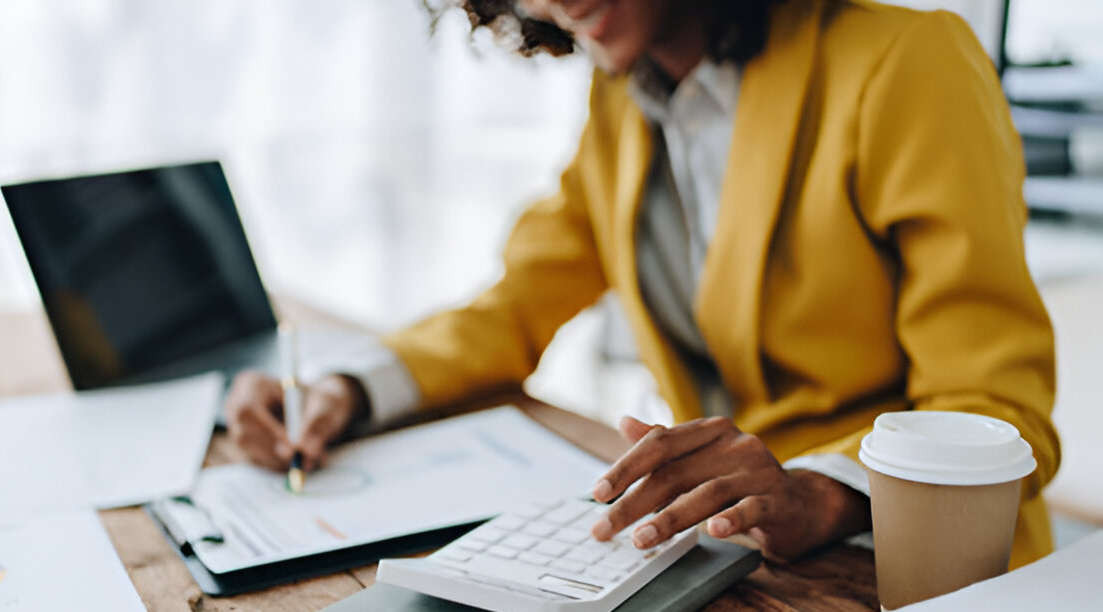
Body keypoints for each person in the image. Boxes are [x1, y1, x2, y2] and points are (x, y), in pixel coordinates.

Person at [225, 0, 1059, 568]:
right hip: (737, 557)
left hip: (915, 570)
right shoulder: (624, 98)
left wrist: (817, 493)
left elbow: (996, 413)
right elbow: (514, 309)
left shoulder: (904, 63)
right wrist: (344, 390)